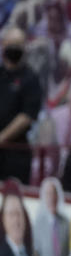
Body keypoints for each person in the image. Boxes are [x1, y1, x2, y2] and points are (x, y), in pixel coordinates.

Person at [0, 27, 42, 184]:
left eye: (18, 45)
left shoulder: (30, 79)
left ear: (25, 48)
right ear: (3, 45)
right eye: (11, 44)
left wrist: (1, 138)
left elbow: (27, 116)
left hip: (16, 153)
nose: (14, 49)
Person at [34, 176, 70, 256]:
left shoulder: (66, 222)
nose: (52, 197)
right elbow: (35, 252)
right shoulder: (38, 223)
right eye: (48, 194)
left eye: (54, 193)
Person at [0, 179, 34, 256]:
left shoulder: (32, 255)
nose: (16, 220)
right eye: (11, 214)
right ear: (3, 219)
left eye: (19, 213)